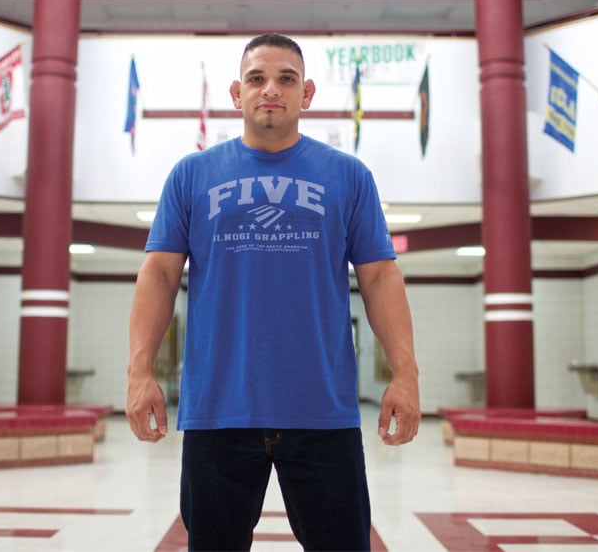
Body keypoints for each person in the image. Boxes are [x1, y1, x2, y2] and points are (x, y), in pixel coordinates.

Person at [127, 32, 420, 552]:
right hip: (219, 409)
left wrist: (405, 374)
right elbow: (159, 275)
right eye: (257, 78)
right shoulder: (191, 176)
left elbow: (379, 276)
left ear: (306, 94)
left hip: (321, 411)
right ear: (236, 94)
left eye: (286, 79)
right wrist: (139, 371)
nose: (271, 90)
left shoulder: (348, 177)